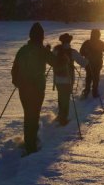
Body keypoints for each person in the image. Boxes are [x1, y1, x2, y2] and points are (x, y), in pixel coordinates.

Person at [11, 22, 55, 156]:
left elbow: (14, 69)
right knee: (33, 115)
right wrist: (49, 51)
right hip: (36, 89)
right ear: (41, 37)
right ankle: (31, 145)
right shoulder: (42, 50)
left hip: (23, 89)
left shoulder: (23, 50)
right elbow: (56, 62)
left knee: (28, 114)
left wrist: (18, 82)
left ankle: (29, 140)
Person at [52, 33, 87, 126]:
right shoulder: (72, 52)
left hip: (57, 79)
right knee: (66, 98)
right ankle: (63, 118)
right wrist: (88, 60)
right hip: (68, 79)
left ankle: (60, 115)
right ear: (69, 41)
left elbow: (51, 61)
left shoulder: (56, 50)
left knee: (60, 96)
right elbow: (83, 63)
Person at [80, 29, 104, 98]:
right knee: (96, 76)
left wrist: (86, 54)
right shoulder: (101, 43)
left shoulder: (87, 42)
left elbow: (81, 52)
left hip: (88, 63)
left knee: (88, 76)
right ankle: (94, 92)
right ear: (99, 35)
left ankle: (87, 90)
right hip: (97, 63)